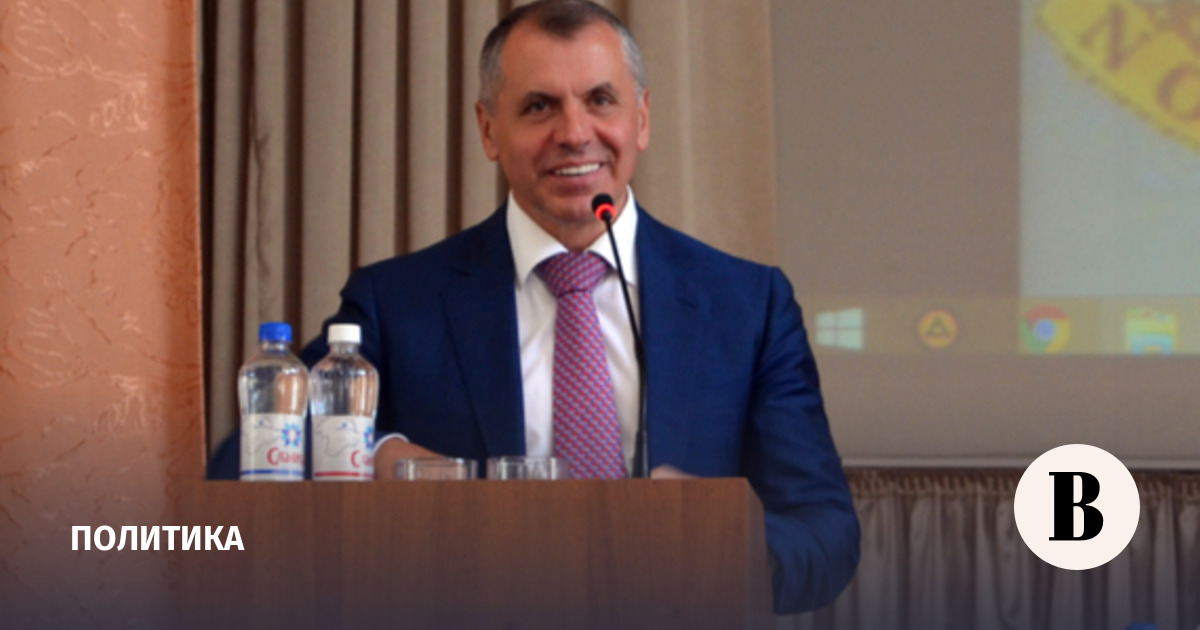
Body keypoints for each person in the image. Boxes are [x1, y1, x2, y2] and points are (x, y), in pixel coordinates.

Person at [295, 0, 857, 614]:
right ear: (489, 129)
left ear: (642, 118)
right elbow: (252, 452)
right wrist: (378, 453)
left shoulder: (748, 306)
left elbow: (824, 530)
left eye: (600, 100)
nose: (574, 132)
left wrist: (724, 541)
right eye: (540, 106)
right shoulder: (396, 302)